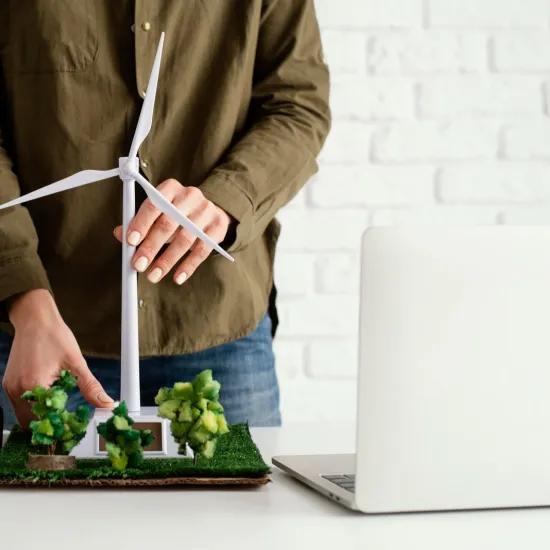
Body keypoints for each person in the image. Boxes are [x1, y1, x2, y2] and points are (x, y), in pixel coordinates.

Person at [0, 1, 330, 429]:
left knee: (246, 498)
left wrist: (226, 200)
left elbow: (298, 105)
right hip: (42, 331)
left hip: (218, 324)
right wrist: (27, 302)